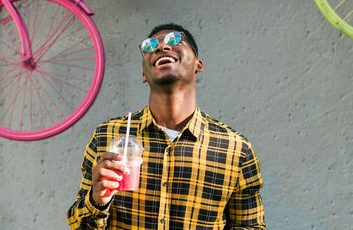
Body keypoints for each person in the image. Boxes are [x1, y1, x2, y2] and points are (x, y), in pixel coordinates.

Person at [67, 23, 266, 229]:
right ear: (144, 74)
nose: (161, 47)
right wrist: (97, 200)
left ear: (198, 64)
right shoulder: (108, 136)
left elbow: (250, 226)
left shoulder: (235, 149)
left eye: (174, 40)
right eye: (150, 45)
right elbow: (78, 225)